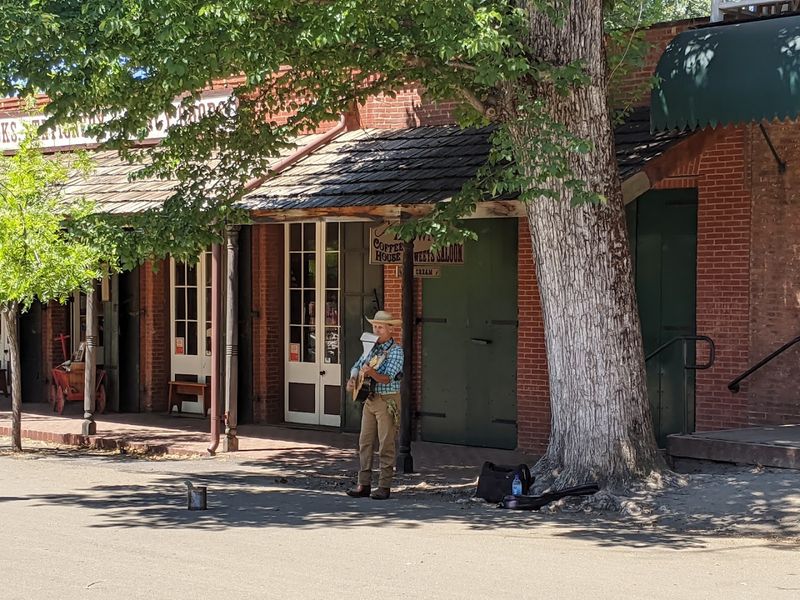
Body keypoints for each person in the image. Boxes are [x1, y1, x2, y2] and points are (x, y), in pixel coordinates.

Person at [345, 310, 404, 500]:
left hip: (387, 400)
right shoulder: (370, 347)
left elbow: (387, 378)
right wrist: (353, 378)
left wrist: (371, 373)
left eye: (380, 327)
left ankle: (384, 486)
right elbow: (357, 365)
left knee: (386, 443)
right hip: (369, 399)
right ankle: (364, 484)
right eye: (375, 327)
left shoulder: (396, 351)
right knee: (365, 442)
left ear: (390, 329)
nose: (376, 330)